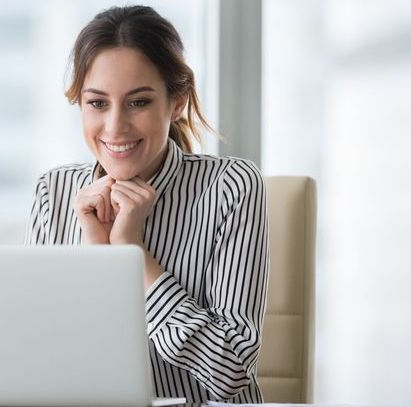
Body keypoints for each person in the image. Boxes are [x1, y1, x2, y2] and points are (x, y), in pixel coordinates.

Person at [25, 5, 268, 404]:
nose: (115, 127)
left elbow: (230, 371)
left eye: (138, 102)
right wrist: (94, 258)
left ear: (176, 102)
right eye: (97, 103)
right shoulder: (54, 191)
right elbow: (34, 357)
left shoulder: (231, 186)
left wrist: (133, 255)